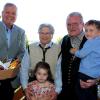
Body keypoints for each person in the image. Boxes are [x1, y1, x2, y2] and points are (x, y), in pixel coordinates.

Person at [20, 24, 60, 94]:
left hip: (51, 87)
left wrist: (57, 91)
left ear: (52, 34)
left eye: (47, 33)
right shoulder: (30, 47)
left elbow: (59, 72)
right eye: (42, 33)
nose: (44, 36)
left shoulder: (58, 49)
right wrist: (25, 88)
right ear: (38, 34)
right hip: (32, 87)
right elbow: (24, 68)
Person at [55, 12, 87, 100]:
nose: (71, 27)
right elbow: (58, 66)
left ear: (83, 24)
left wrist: (96, 80)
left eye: (75, 24)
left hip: (85, 94)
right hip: (64, 93)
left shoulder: (92, 40)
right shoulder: (63, 40)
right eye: (68, 24)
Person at [0, 3, 26, 100]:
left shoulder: (21, 32)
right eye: (7, 12)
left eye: (13, 13)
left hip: (10, 79)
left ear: (16, 16)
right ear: (2, 13)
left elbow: (22, 52)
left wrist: (11, 65)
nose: (10, 15)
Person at [70, 20, 100, 100]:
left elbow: (81, 54)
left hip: (85, 73)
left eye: (91, 30)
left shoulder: (91, 42)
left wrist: (74, 51)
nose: (87, 33)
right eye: (86, 30)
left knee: (80, 95)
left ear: (99, 32)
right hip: (95, 75)